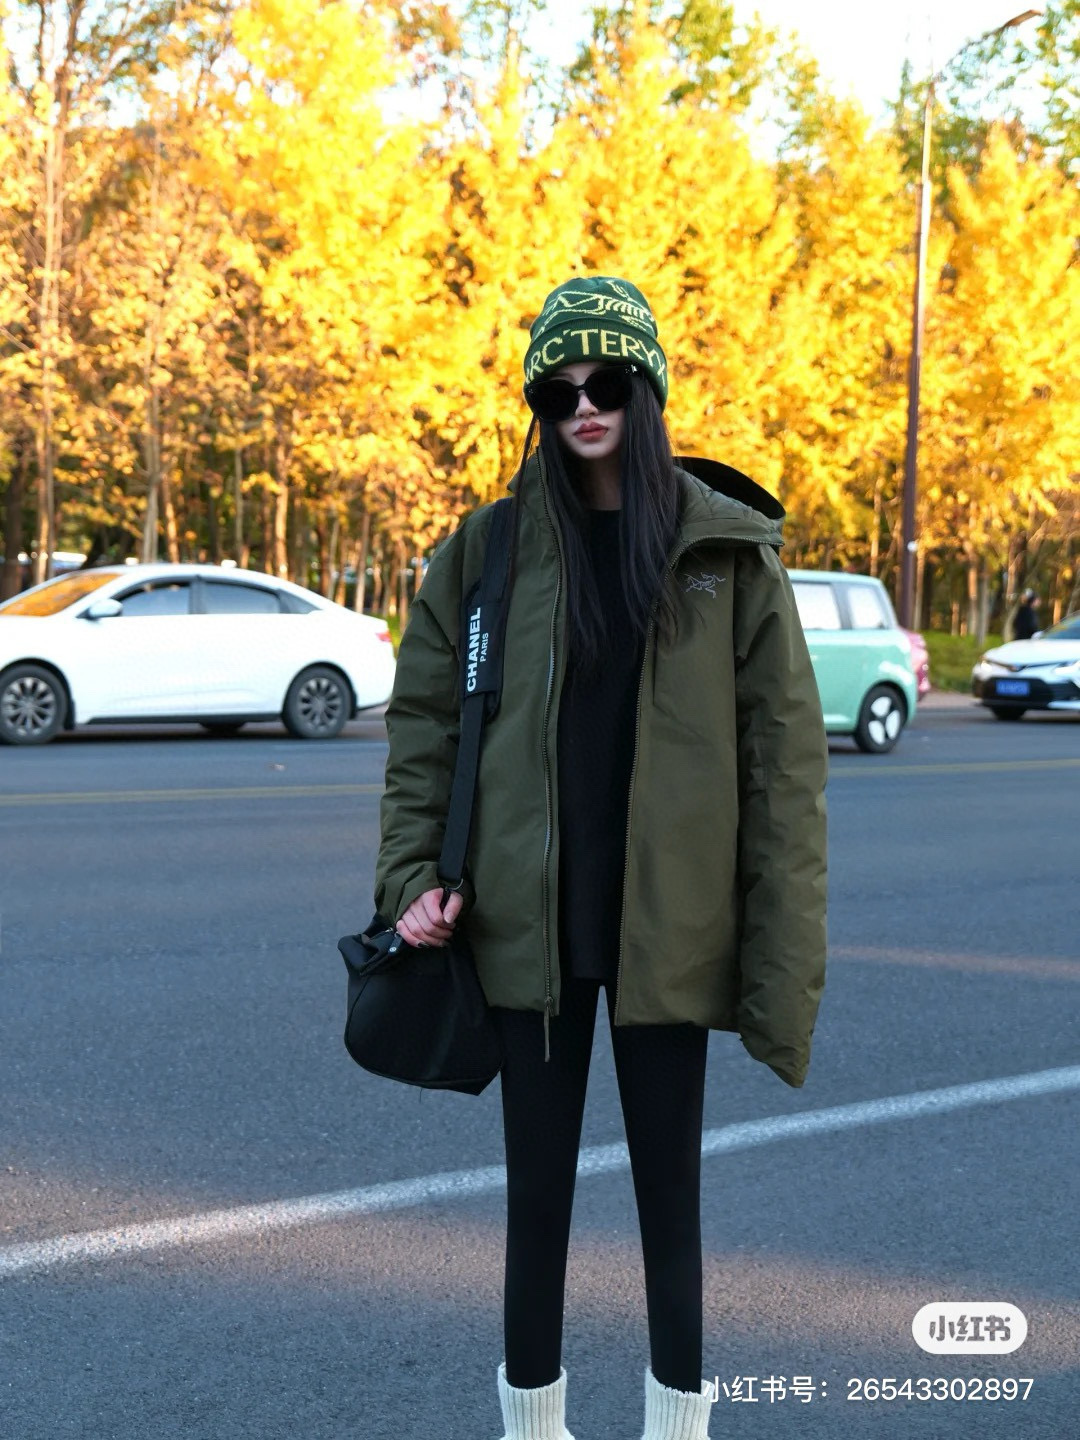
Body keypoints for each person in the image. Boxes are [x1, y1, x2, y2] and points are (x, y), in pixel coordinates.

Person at [374, 276, 828, 1440]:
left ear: (648, 392)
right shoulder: (485, 552)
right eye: (558, 389)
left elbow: (784, 778)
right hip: (525, 931)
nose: (583, 405)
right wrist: (411, 884)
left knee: (670, 1203)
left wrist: (782, 964)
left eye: (607, 383)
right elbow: (424, 736)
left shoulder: (726, 553)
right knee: (536, 1205)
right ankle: (534, 1429)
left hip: (668, 934)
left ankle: (678, 1428)